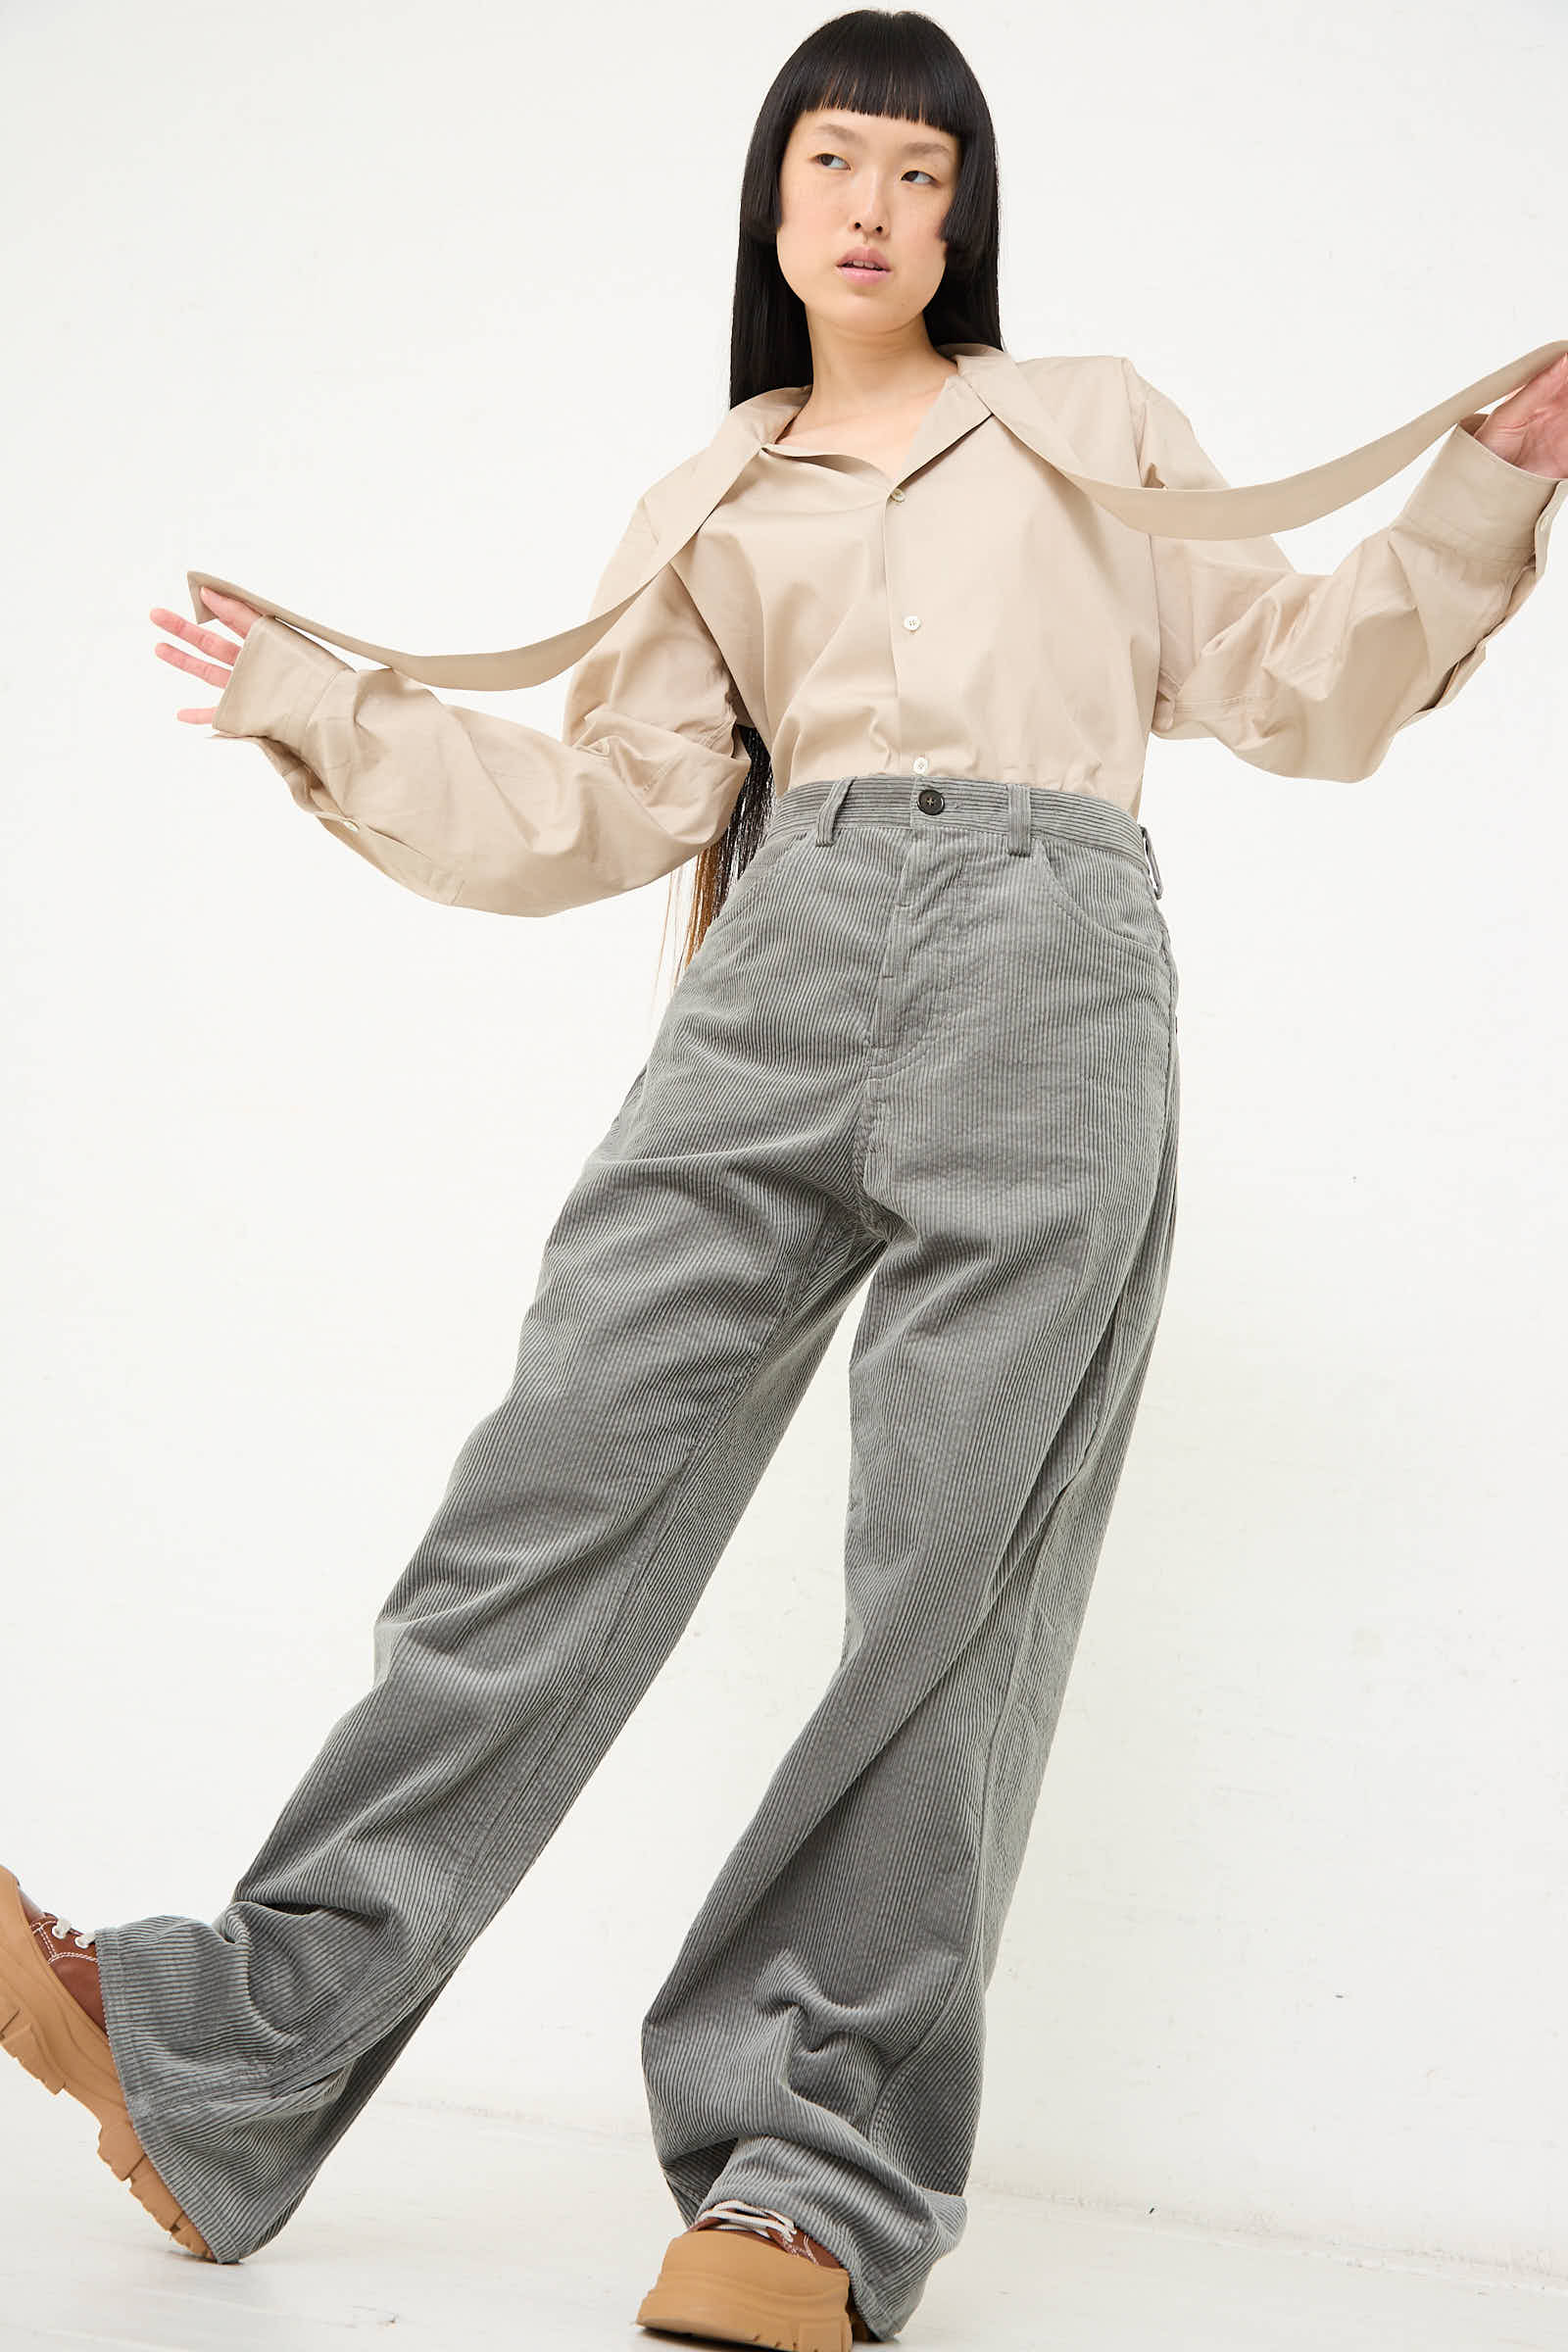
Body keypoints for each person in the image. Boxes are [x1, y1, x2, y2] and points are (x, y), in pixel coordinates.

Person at [4, 11, 1564, 2347]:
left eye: (921, 177)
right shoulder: (711, 500)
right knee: (541, 1508)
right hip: (776, 974)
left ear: (964, 215)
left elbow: (1297, 684)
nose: (872, 210)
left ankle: (806, 2185)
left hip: (1047, 976)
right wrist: (318, 703)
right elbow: (592, 810)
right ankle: (223, 2050)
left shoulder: (1090, 428)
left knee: (943, 1587)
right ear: (770, 197)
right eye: (835, 161)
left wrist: (1476, 491)